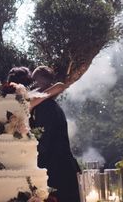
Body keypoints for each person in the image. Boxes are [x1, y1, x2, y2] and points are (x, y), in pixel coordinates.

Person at [30, 66, 81, 202]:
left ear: (38, 83)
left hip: (57, 173)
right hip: (64, 169)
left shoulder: (44, 108)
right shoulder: (50, 105)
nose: (31, 86)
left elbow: (44, 143)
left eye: (34, 82)